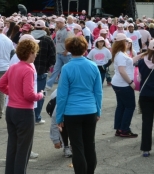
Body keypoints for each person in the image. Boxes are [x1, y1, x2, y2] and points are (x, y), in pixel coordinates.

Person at [55, 36, 103, 174]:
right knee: (90, 145)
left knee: (77, 147)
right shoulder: (93, 65)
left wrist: (59, 117)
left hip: (72, 112)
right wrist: (98, 111)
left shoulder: (67, 68)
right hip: (90, 110)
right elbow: (98, 92)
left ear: (69, 49)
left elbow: (62, 95)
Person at [0, 38, 44, 174]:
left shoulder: (14, 67)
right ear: (30, 52)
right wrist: (40, 95)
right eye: (35, 52)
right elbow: (29, 95)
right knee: (24, 148)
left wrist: (12, 93)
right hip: (24, 111)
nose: (35, 55)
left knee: (12, 145)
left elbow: (0, 85)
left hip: (11, 109)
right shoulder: (28, 69)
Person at [110, 34, 138, 138]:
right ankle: (124, 129)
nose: (128, 43)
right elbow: (122, 71)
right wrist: (131, 83)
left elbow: (130, 62)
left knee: (121, 106)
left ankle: (119, 128)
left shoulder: (120, 53)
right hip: (123, 84)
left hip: (119, 84)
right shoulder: (121, 54)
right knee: (130, 106)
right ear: (122, 42)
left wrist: (141, 55)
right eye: (126, 41)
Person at [31, 20, 57, 124]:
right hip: (41, 71)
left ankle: (30, 116)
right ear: (44, 28)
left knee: (28, 93)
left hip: (28, 69)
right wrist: (47, 66)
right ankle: (36, 116)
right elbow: (53, 56)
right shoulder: (47, 39)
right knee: (39, 94)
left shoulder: (29, 38)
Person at [46, 17, 72, 90]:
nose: (57, 24)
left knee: (68, 70)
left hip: (66, 54)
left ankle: (70, 84)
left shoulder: (67, 31)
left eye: (58, 23)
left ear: (62, 23)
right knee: (56, 69)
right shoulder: (58, 31)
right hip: (59, 53)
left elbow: (69, 42)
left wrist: (66, 51)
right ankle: (49, 84)